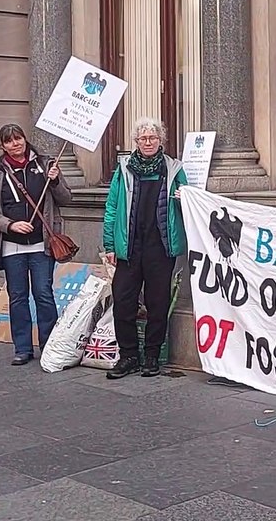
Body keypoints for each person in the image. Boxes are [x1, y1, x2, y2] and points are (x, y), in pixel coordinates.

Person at [102, 117, 187, 379]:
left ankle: (151, 356)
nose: (148, 142)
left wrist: (185, 198)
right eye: (143, 138)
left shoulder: (173, 169)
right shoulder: (124, 168)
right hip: (129, 247)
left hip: (160, 248)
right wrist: (109, 244)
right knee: (123, 302)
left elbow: (191, 203)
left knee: (157, 303)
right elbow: (112, 207)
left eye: (153, 138)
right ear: (136, 142)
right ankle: (128, 356)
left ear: (161, 140)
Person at [0, 123, 72, 366]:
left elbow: (66, 198)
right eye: (9, 141)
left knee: (43, 294)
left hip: (42, 245)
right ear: (3, 146)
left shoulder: (45, 164)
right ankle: (22, 348)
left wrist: (54, 181)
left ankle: (49, 344)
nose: (15, 144)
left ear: (25, 139)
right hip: (12, 247)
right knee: (17, 297)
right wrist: (10, 225)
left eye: (18, 138)